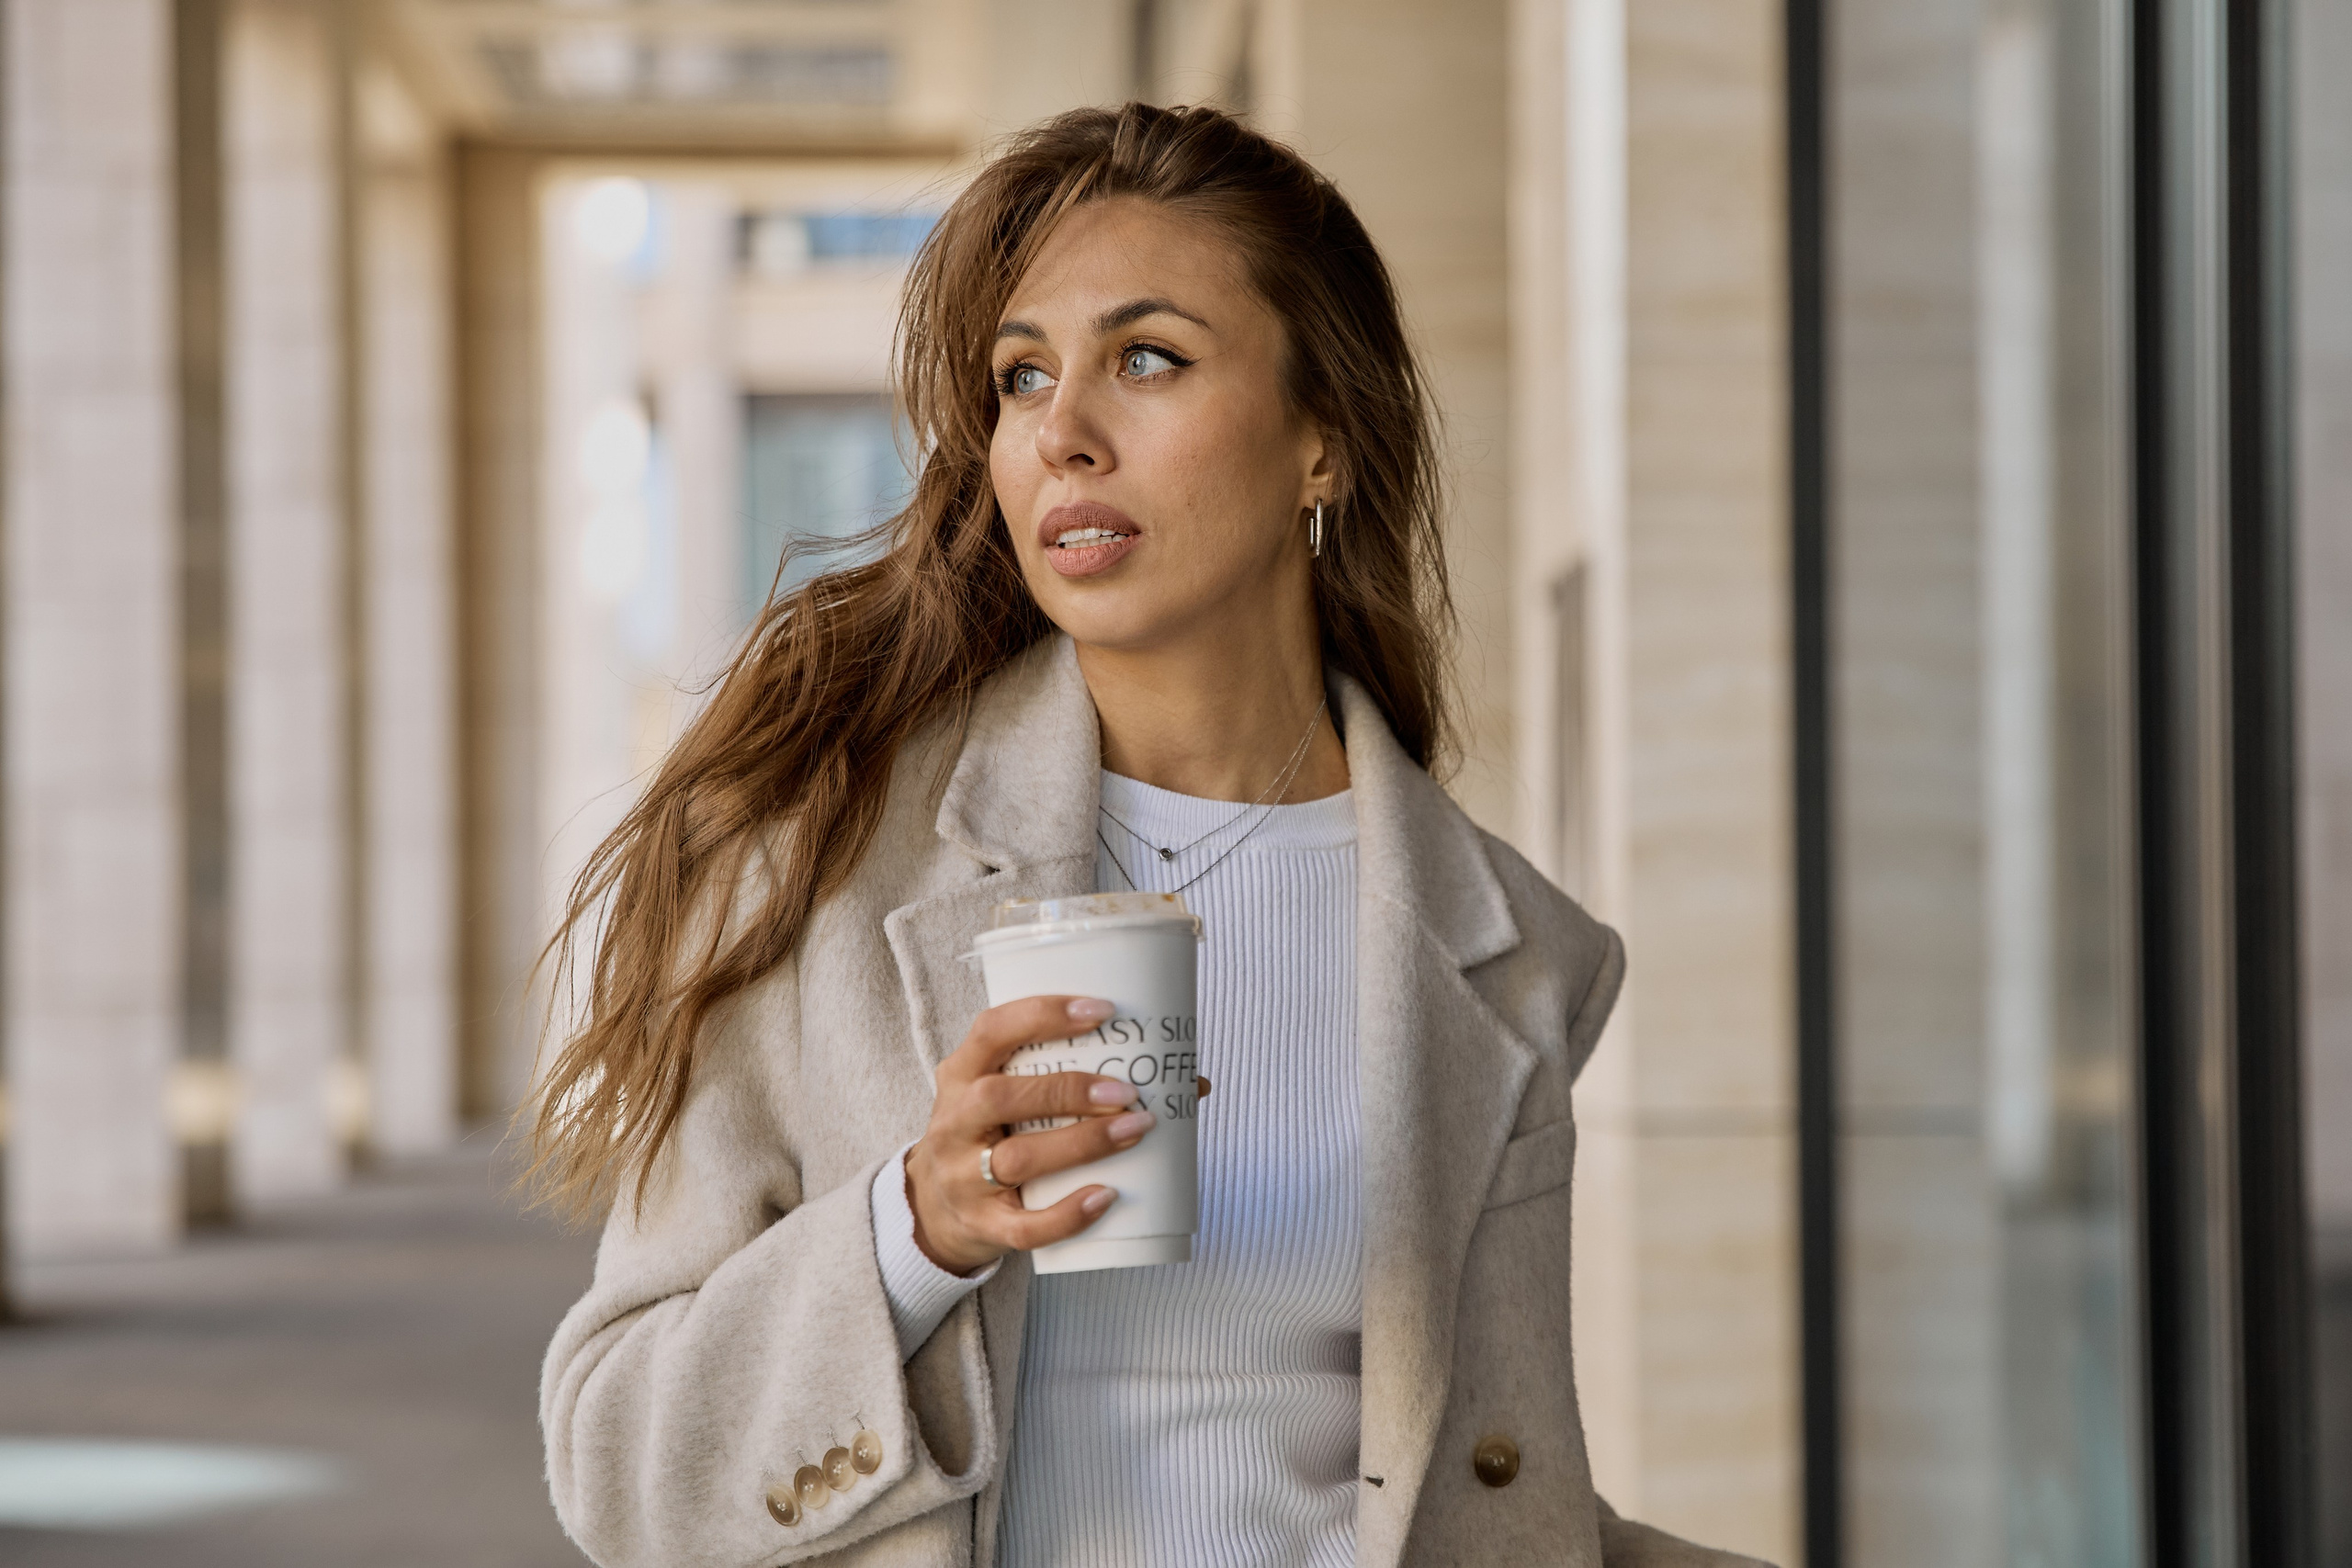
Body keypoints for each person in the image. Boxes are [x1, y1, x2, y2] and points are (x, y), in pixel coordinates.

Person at [533, 102, 1768, 1568]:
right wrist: (912, 1233)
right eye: (1022, 375)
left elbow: (1500, 1514)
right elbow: (617, 1466)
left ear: (1324, 443)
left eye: (1148, 360)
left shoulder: (1508, 952)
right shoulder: (823, 861)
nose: (1064, 433)